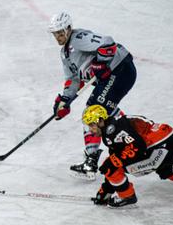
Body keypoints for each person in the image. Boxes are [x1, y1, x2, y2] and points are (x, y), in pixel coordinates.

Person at [47, 11, 138, 179]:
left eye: (60, 33)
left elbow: (108, 44)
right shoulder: (65, 53)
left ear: (68, 29)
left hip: (120, 70)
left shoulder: (78, 37)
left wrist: (100, 63)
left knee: (92, 113)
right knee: (105, 111)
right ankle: (134, 138)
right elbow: (73, 79)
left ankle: (91, 161)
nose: (58, 37)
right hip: (113, 76)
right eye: (55, 34)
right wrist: (65, 100)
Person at [82, 105, 173, 208]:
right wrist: (106, 190)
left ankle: (127, 196)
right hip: (169, 141)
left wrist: (112, 167)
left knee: (110, 166)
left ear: (101, 120)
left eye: (92, 125)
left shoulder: (114, 130)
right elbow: (120, 154)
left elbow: (137, 147)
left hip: (160, 146)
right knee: (171, 172)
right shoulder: (112, 127)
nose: (90, 129)